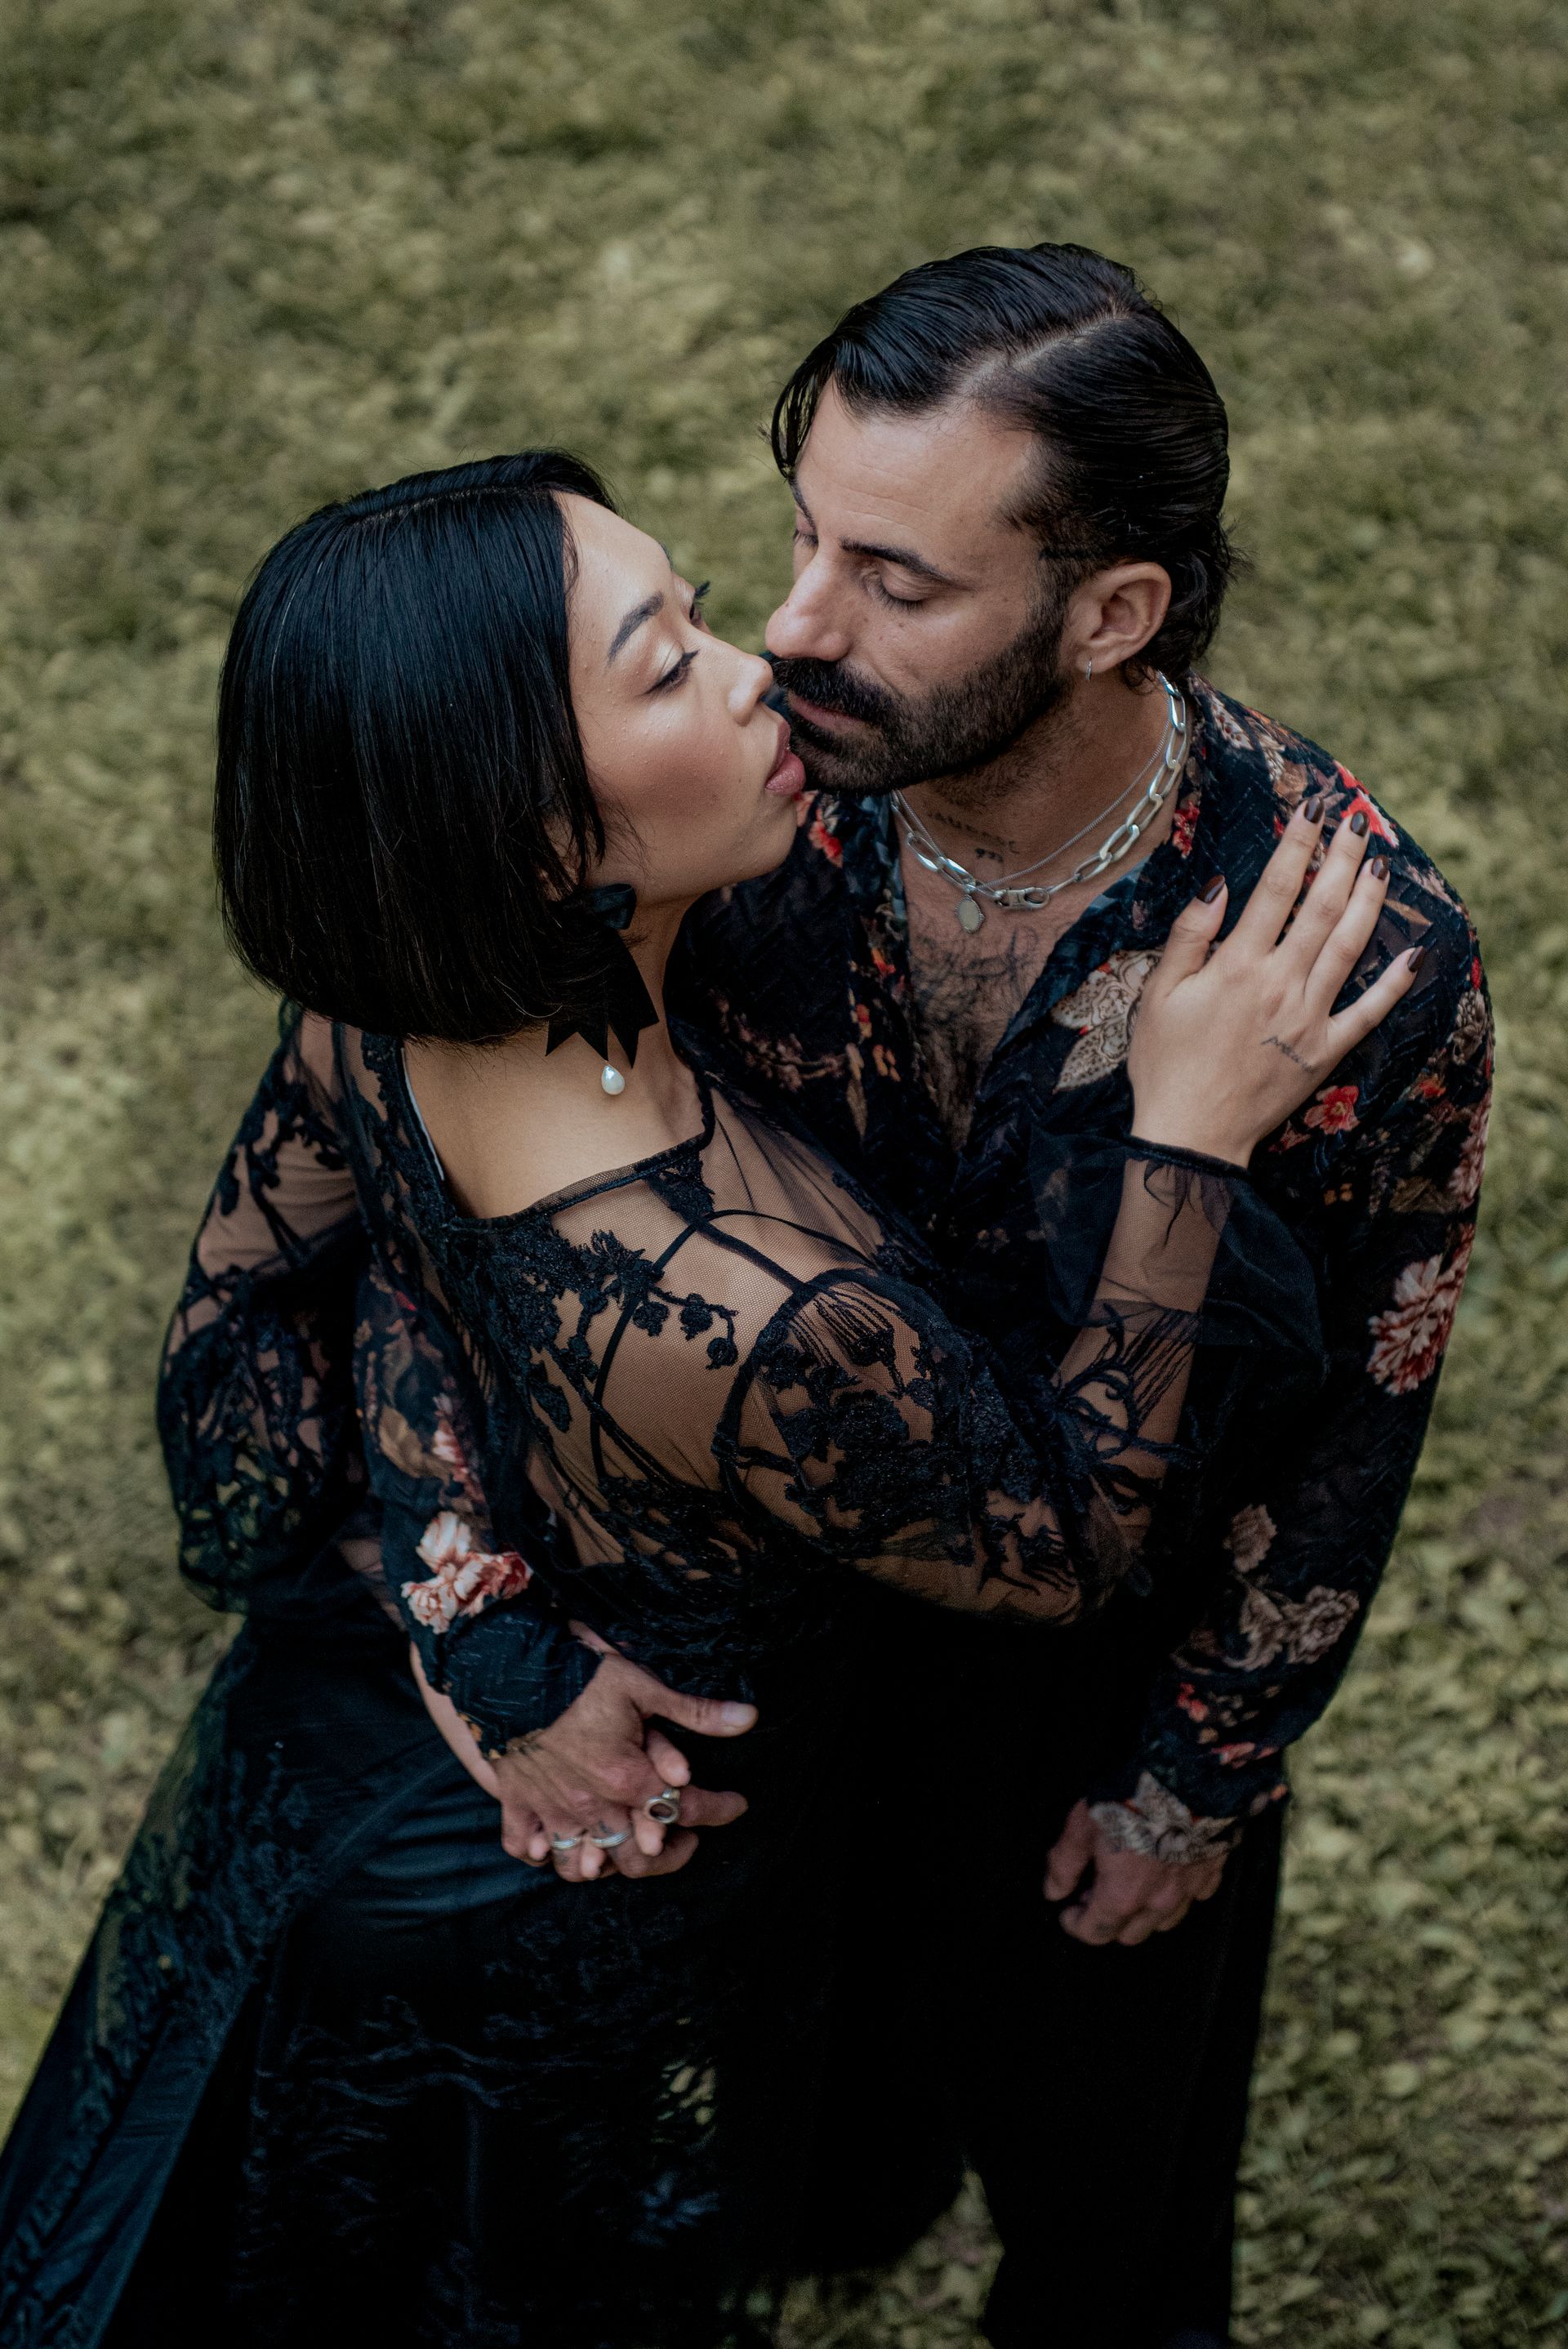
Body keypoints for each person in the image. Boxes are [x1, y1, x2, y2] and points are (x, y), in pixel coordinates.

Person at [0, 448, 1412, 2348]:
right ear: (531, 844)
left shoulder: (385, 1009)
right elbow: (1064, 1540)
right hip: (543, 1911)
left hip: (347, 1780)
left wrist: (453, 1606)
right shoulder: (748, 1311)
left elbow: (254, 1345)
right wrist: (1185, 1138)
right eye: (665, 665)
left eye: (684, 606)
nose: (757, 662)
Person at [464, 246, 1494, 2347]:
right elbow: (464, 1202)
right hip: (771, 1629)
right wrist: (484, 1630)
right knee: (766, 2105)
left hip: (1095, 1677)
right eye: (801, 541)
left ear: (1111, 611)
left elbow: (1356, 1413)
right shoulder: (738, 819)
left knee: (1107, 2182)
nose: (793, 629)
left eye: (896, 580)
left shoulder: (1352, 946)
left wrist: (1194, 1777)